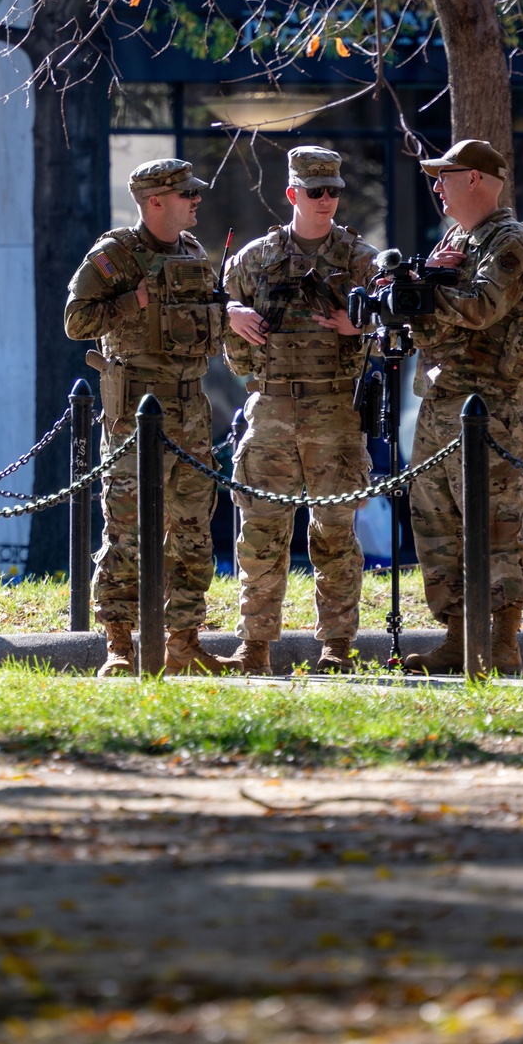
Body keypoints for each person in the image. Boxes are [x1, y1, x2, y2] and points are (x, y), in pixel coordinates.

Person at [65, 159, 226, 678]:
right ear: (155, 201)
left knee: (193, 535)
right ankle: (119, 644)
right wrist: (131, 302)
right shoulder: (114, 255)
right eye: (186, 194)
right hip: (134, 417)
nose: (196, 200)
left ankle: (184, 643)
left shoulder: (194, 253)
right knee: (127, 534)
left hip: (191, 414)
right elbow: (76, 321)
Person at [404, 139, 523, 675]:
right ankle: (458, 637)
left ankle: (502, 641)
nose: (437, 187)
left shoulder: (510, 243)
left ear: (474, 179)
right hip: (440, 400)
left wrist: (423, 290)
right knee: (436, 520)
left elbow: (480, 308)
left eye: (445, 176)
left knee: (494, 523)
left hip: (488, 406)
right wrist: (421, 278)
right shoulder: (457, 239)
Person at [223, 146, 378, 674]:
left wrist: (362, 326)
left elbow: (399, 326)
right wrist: (233, 313)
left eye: (333, 190)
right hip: (270, 407)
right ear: (293, 194)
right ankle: (255, 647)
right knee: (261, 534)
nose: (326, 200)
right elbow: (220, 313)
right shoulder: (257, 258)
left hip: (335, 409)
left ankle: (336, 647)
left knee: (335, 535)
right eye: (315, 191)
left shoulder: (360, 259)